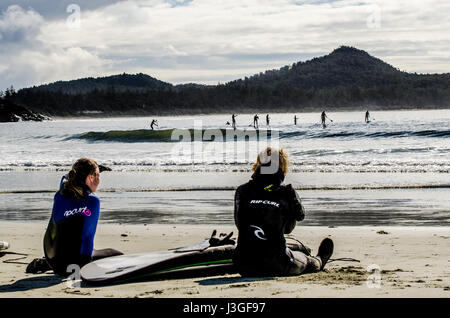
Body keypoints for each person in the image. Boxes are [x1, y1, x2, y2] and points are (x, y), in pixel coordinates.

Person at [233, 147, 334, 277]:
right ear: (282, 166)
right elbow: (294, 223)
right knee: (306, 261)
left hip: (243, 264)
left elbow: (240, 224)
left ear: (258, 164)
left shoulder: (242, 191)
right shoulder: (287, 192)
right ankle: (319, 259)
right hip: (278, 264)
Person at [26, 158, 123, 276]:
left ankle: (45, 263)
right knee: (117, 255)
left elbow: (66, 177)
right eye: (97, 175)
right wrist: (84, 266)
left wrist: (93, 170)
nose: (99, 180)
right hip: (75, 264)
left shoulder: (61, 192)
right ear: (90, 177)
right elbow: (88, 237)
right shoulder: (92, 201)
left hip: (53, 260)